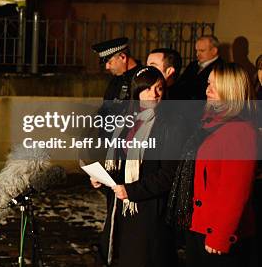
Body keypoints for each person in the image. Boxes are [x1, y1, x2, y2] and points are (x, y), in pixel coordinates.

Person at [92, 66, 186, 266]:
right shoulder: (127, 120)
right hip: (124, 209)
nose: (154, 94)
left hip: (151, 211)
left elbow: (169, 174)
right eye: (148, 89)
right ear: (137, 92)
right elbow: (120, 160)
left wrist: (132, 191)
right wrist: (103, 176)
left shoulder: (171, 124)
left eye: (159, 88)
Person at [166, 63, 257, 267]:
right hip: (198, 225)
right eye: (208, 83)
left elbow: (235, 191)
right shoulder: (209, 122)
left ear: (232, 89)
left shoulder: (240, 131)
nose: (208, 89)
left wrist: (220, 235)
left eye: (217, 85)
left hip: (218, 233)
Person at [92, 37, 143, 119]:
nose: (107, 67)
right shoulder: (116, 78)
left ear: (122, 57)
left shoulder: (142, 78)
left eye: (109, 62)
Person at [174, 35, 223, 100]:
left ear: (214, 51)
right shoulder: (193, 64)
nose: (197, 54)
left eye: (202, 51)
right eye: (196, 51)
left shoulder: (222, 68)